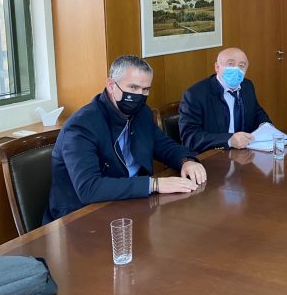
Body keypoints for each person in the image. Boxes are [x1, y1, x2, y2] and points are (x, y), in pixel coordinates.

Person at [44, 55, 207, 223]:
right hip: (81, 217)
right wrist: (154, 184)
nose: (139, 95)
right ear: (111, 85)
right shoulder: (81, 125)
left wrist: (186, 160)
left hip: (131, 204)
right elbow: (89, 188)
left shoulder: (142, 113)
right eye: (133, 87)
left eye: (145, 90)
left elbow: (164, 145)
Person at [179, 47, 271, 152]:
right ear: (217, 67)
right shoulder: (195, 94)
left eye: (241, 66)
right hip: (214, 154)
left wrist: (265, 125)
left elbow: (256, 111)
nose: (236, 69)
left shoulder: (247, 85)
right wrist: (229, 140)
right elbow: (190, 138)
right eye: (230, 64)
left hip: (244, 152)